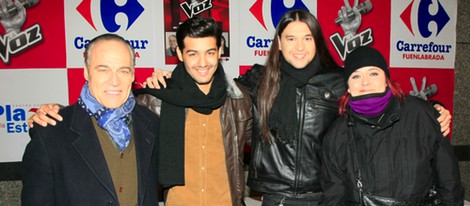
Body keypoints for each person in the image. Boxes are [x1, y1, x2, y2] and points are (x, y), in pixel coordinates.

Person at [144, 9, 452, 206]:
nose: (299, 46)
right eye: (290, 38)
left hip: (323, 196)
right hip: (274, 197)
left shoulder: (336, 82)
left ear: (317, 41)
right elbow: (209, 85)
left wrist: (434, 108)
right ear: (278, 42)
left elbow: (377, 95)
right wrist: (169, 78)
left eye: (307, 37)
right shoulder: (258, 80)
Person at [29, 17, 252, 206]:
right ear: (180, 54)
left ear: (220, 51)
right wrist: (54, 111)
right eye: (193, 53)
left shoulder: (239, 100)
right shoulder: (156, 101)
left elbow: (264, 139)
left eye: (210, 52)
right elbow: (86, 116)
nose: (202, 62)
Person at [21, 33, 160, 205]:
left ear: (132, 75)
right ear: (86, 72)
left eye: (123, 71)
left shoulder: (151, 124)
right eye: (103, 70)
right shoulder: (50, 133)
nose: (114, 81)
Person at [321, 46, 464, 205]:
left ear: (386, 79)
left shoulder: (422, 116)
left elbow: (449, 183)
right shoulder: (337, 134)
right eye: (356, 76)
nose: (365, 81)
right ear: (348, 86)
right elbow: (333, 197)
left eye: (373, 73)